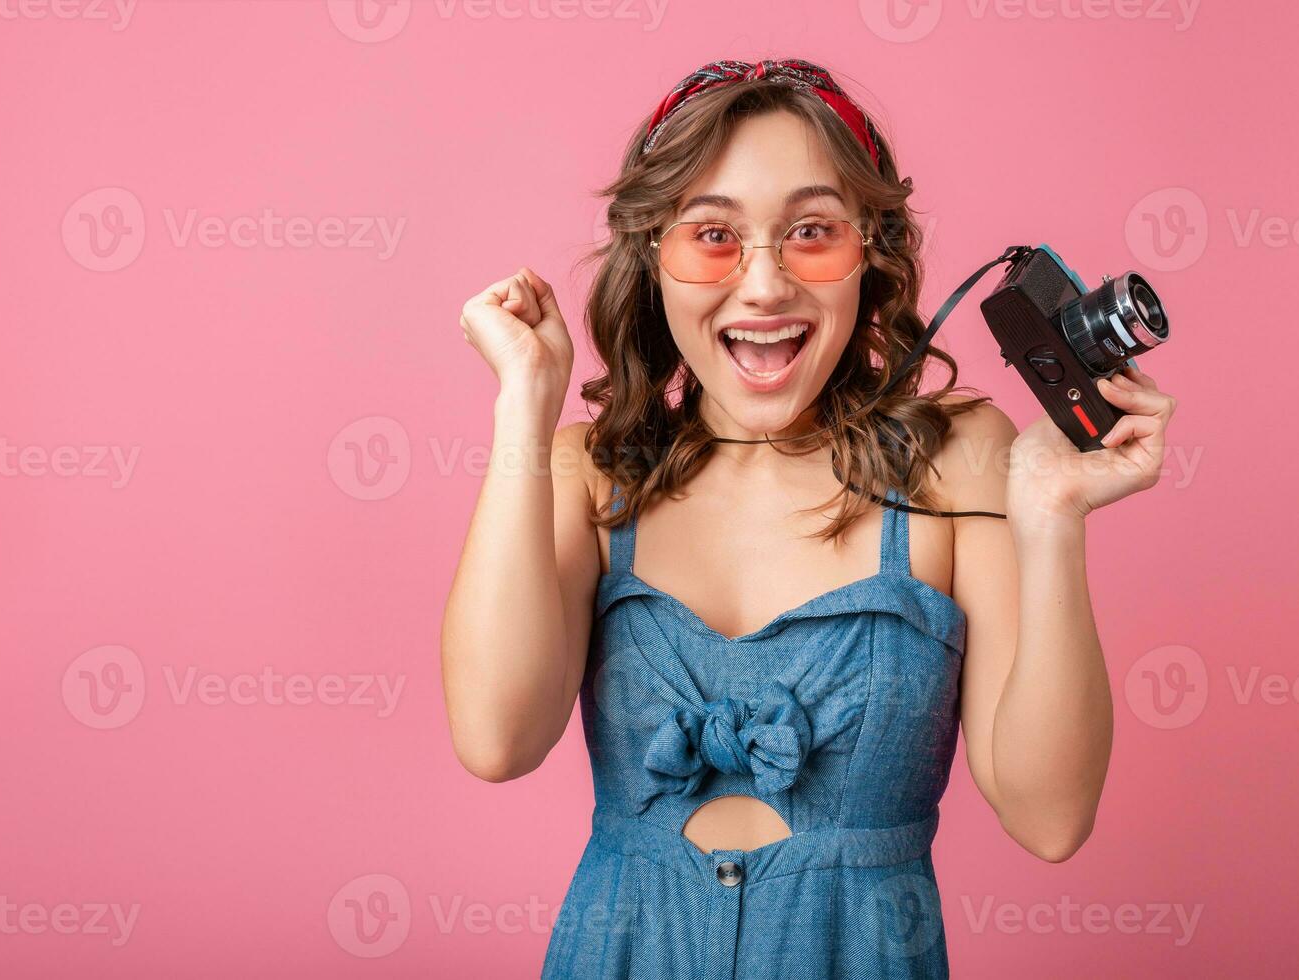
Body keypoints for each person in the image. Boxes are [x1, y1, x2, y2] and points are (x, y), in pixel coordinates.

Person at [443, 57, 1177, 979]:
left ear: (868, 252)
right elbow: (497, 738)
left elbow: (1051, 817)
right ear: (652, 254)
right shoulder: (587, 475)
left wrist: (1053, 518)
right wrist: (525, 404)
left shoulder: (959, 461)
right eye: (714, 234)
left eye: (810, 232)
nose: (763, 286)